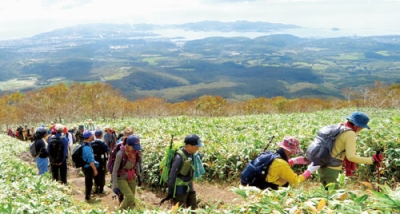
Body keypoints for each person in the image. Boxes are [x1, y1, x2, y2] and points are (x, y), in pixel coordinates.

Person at [311, 111, 383, 187]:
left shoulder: (340, 127)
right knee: (334, 195)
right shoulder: (350, 133)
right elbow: (351, 157)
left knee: (325, 191)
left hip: (321, 164)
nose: (362, 129)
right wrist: (372, 160)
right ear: (357, 125)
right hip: (331, 167)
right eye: (362, 127)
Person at [247, 136, 319, 190]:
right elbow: (296, 181)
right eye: (292, 151)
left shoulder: (272, 153)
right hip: (272, 190)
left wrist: (292, 161)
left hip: (262, 185)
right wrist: (310, 170)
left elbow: (274, 165)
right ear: (288, 150)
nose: (292, 153)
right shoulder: (282, 165)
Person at [165, 134, 204, 210]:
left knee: (193, 209)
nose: (198, 148)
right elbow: (173, 174)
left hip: (189, 187)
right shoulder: (179, 157)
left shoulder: (192, 155)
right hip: (180, 189)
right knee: (180, 210)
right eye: (196, 146)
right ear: (189, 146)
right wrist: (170, 191)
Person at [112, 134, 142, 210]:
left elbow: (136, 163)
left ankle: (130, 211)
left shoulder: (135, 153)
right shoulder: (120, 154)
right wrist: (115, 186)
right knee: (129, 197)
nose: (136, 149)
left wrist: (139, 175)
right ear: (128, 145)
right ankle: (119, 211)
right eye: (134, 147)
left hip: (131, 176)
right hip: (121, 178)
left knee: (131, 200)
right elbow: (115, 170)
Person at [81, 131, 99, 202]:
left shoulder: (84, 144)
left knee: (88, 181)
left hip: (85, 166)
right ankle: (87, 197)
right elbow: (91, 161)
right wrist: (95, 170)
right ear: (89, 137)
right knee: (89, 182)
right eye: (91, 135)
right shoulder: (87, 148)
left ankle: (88, 195)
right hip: (88, 167)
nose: (92, 136)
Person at [92, 130, 110, 194]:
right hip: (102, 161)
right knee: (102, 174)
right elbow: (107, 150)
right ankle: (101, 189)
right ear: (101, 135)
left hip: (94, 160)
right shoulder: (103, 143)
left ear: (95, 135)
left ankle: (96, 187)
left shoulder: (92, 143)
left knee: (95, 173)